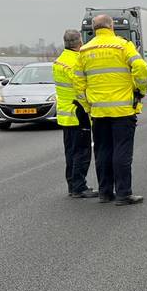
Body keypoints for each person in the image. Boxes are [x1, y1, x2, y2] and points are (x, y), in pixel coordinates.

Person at [73, 14, 147, 205]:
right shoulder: (123, 45)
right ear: (111, 26)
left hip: (98, 112)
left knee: (102, 152)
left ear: (94, 29)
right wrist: (140, 90)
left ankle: (105, 193)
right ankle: (123, 194)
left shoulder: (84, 50)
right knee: (122, 151)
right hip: (123, 110)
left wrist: (88, 106)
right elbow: (141, 67)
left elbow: (78, 83)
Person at [53, 30, 96, 198]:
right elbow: (81, 86)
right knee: (82, 152)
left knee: (70, 152)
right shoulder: (77, 61)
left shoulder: (59, 61)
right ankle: (79, 187)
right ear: (80, 43)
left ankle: (72, 185)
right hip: (78, 113)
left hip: (65, 114)